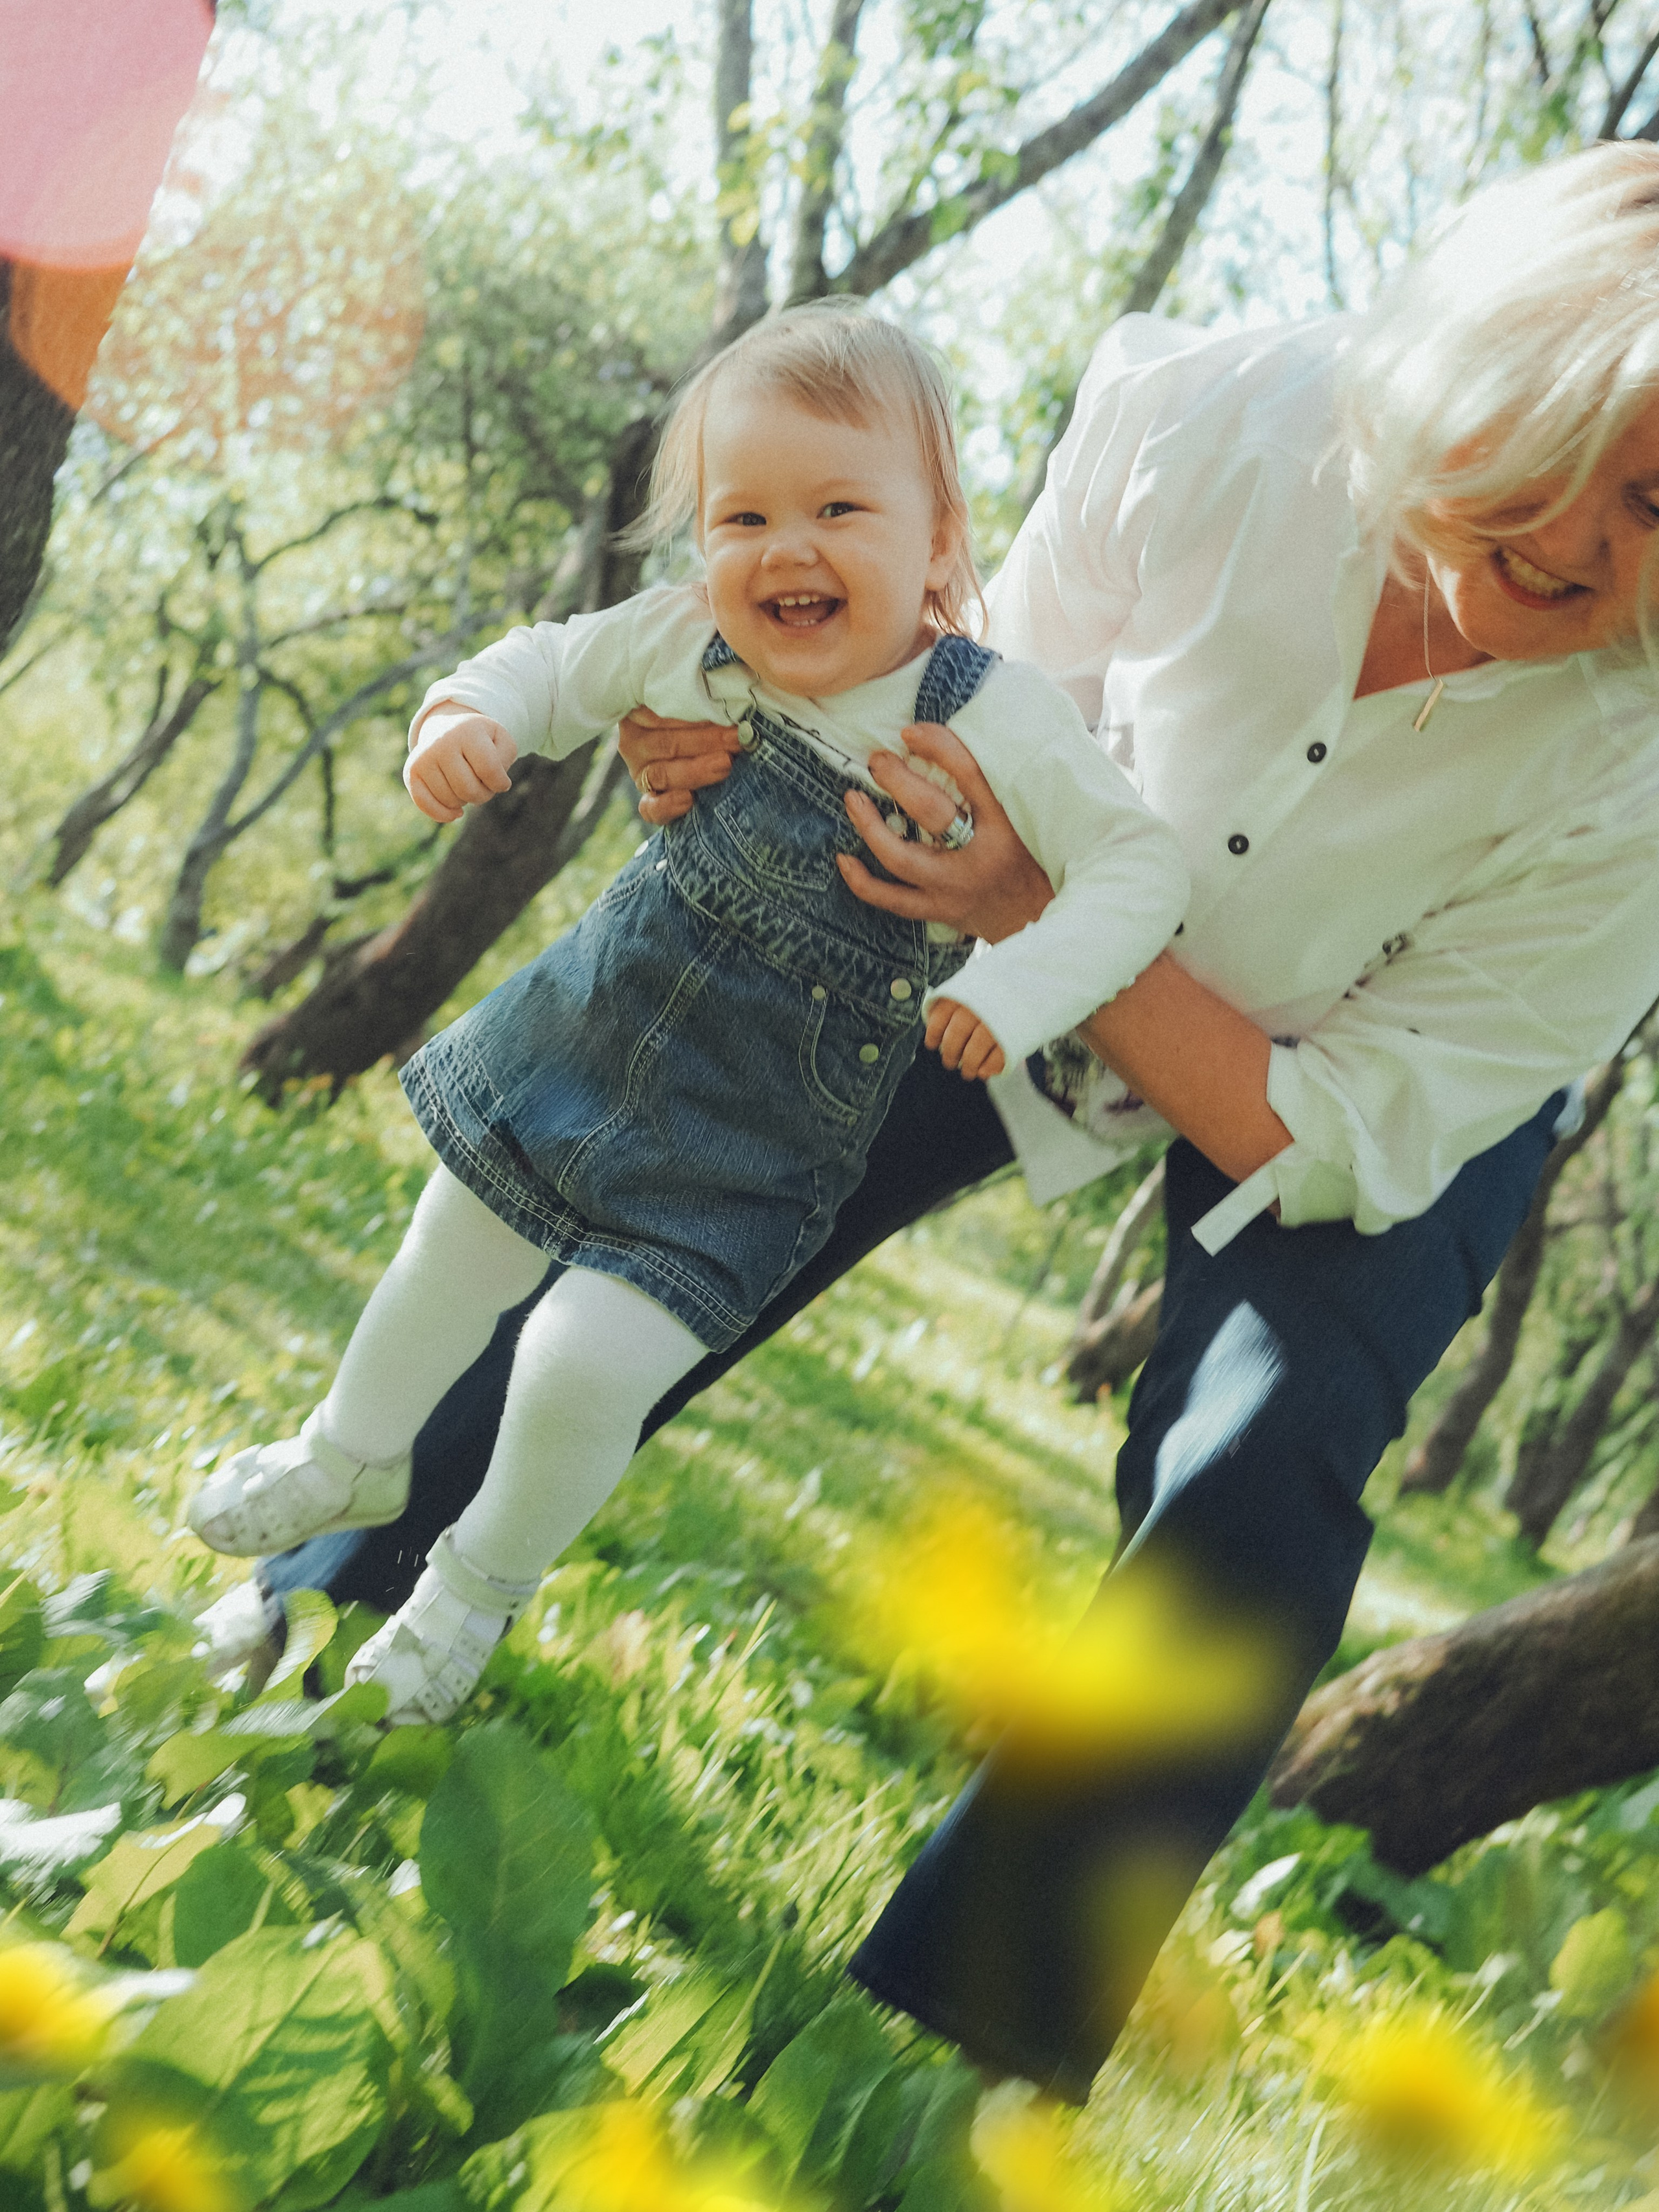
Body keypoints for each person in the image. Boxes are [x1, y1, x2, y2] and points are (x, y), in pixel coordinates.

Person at [240, 141, 1659, 2101]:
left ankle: (942, 2065)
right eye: (1563, 451)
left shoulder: (1637, 773)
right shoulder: (1221, 421)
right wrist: (757, 738)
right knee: (675, 1207)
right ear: (1461, 369)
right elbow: (953, 698)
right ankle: (315, 1633)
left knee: (1260, 1484)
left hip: (1359, 1078)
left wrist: (1044, 913)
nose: (1583, 540)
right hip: (991, 888)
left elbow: (1337, 1128)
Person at [183, 305, 1187, 1727]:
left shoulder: (992, 715)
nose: (786, 549)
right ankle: (348, 1449)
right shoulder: (688, 644)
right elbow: (550, 663)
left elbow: (1140, 867)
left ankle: (471, 1589)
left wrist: (1015, 985)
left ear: (940, 540)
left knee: (580, 1363)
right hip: (579, 1044)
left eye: (839, 509)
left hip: (747, 1140)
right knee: (448, 1244)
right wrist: (463, 718)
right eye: (743, 517)